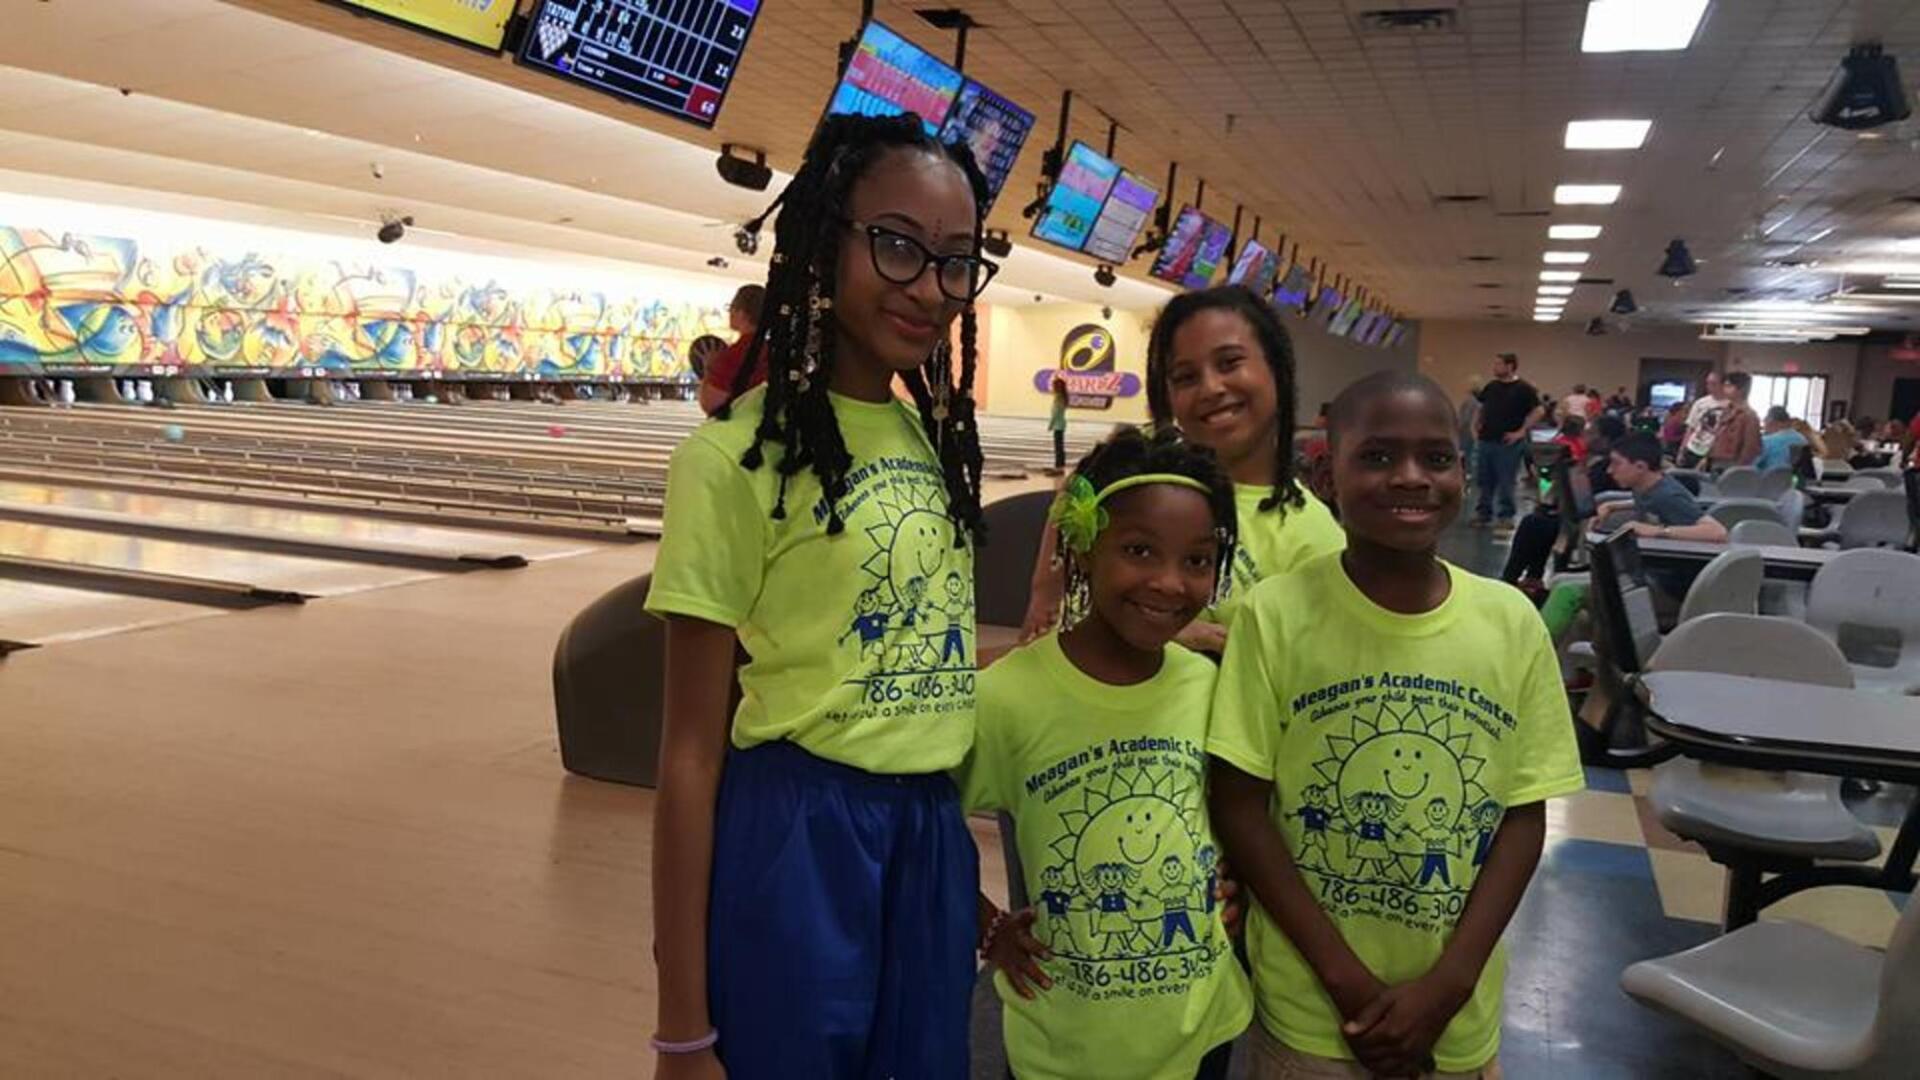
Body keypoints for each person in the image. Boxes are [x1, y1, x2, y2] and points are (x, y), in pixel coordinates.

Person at [642, 113, 998, 1079]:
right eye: (898, 246)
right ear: (825, 238)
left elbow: (909, 671)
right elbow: (684, 758)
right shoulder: (729, 460)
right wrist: (682, 1028)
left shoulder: (932, 442)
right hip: (797, 829)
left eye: (957, 261)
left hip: (928, 831)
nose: (931, 288)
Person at [1208, 370, 1584, 1080]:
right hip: (1312, 1009)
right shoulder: (1276, 614)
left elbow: (1522, 817)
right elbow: (1239, 803)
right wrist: (1343, 979)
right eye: (1378, 456)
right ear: (1327, 473)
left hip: (1454, 1012)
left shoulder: (1509, 623)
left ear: (1462, 472)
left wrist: (1450, 985)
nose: (1410, 477)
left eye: (1435, 458)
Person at [965, 427, 1252, 1080]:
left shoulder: (1209, 684)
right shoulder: (1010, 696)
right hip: (1063, 1041)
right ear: (1082, 546)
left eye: (1198, 560)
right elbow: (920, 822)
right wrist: (985, 925)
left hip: (1200, 1025)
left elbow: (1238, 806)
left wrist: (1242, 885)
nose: (1170, 583)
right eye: (1140, 550)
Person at [1020, 286, 1344, 650]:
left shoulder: (1315, 538)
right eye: (1186, 377)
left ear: (1277, 369)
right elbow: (1077, 491)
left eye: (1229, 363)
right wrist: (1045, 590)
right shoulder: (1143, 482)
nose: (1210, 388)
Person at [1501, 415, 1625, 588]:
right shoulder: (1593, 462)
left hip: (1588, 518)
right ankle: (1532, 576)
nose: (1585, 435)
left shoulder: (1605, 467)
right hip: (1580, 515)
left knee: (1534, 523)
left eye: (1591, 432)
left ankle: (1511, 578)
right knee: (1541, 518)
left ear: (1605, 439)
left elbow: (1585, 498)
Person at [1593, 434, 1728, 543]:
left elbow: (1718, 532)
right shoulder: (1645, 486)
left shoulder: (1668, 496)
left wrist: (1657, 531)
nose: (1609, 470)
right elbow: (1649, 503)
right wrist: (1612, 505)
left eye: (1616, 464)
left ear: (1640, 467)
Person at [1471, 352, 1543, 536]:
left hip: (1508, 442)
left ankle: (1506, 516)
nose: (1495, 368)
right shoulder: (1492, 386)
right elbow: (1482, 406)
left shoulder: (1523, 389)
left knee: (1506, 480)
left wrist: (1521, 432)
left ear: (1510, 366)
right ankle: (1483, 513)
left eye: (1499, 364)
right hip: (1487, 439)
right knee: (1484, 479)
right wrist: (1476, 424)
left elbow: (1538, 411)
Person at [696, 283, 767, 416]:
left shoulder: (733, 355)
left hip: (739, 431)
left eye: (731, 308)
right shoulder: (776, 351)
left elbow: (712, 405)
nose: (729, 313)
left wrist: (709, 369)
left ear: (741, 313)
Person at [1707, 371, 1761, 470]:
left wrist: (1738, 468)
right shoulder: (1727, 410)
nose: (1724, 388)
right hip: (1717, 459)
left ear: (1741, 389)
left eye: (1729, 386)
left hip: (1733, 463)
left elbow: (1751, 447)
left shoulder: (1749, 415)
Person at [1679, 372, 1727, 468]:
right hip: (1694, 447)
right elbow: (1690, 428)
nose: (1709, 387)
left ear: (1722, 385)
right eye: (1707, 383)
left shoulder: (1730, 405)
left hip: (1713, 451)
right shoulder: (1700, 403)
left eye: (1713, 384)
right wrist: (1682, 450)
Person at [1756, 406, 1810, 471]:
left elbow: (1751, 464)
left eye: (1765, 422)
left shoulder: (1767, 441)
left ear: (1772, 422)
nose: (1764, 427)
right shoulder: (1802, 439)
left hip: (1768, 479)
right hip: (1792, 479)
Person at [1457, 377, 1483, 484]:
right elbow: (1468, 421)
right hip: (1470, 434)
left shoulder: (1469, 403)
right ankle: (1470, 476)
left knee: (1468, 457)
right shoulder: (1475, 403)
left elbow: (1463, 420)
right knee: (1470, 457)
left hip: (1466, 433)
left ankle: (1469, 476)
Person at [1048, 375, 1070, 472]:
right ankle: (1060, 464)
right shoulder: (1063, 396)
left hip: (1058, 424)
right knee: (1059, 446)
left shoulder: (1058, 397)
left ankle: (1059, 465)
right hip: (1061, 424)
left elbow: (1056, 413)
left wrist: (1050, 425)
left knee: (1058, 446)